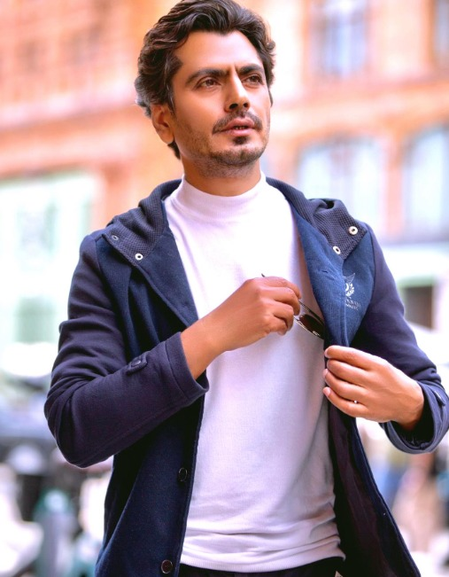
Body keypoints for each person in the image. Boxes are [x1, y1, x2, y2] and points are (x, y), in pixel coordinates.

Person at [44, 1, 449, 576]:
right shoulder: (116, 257)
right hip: (173, 563)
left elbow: (430, 403)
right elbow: (76, 427)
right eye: (208, 81)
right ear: (163, 120)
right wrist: (209, 337)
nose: (238, 96)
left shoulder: (342, 243)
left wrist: (407, 405)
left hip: (317, 560)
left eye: (251, 77)